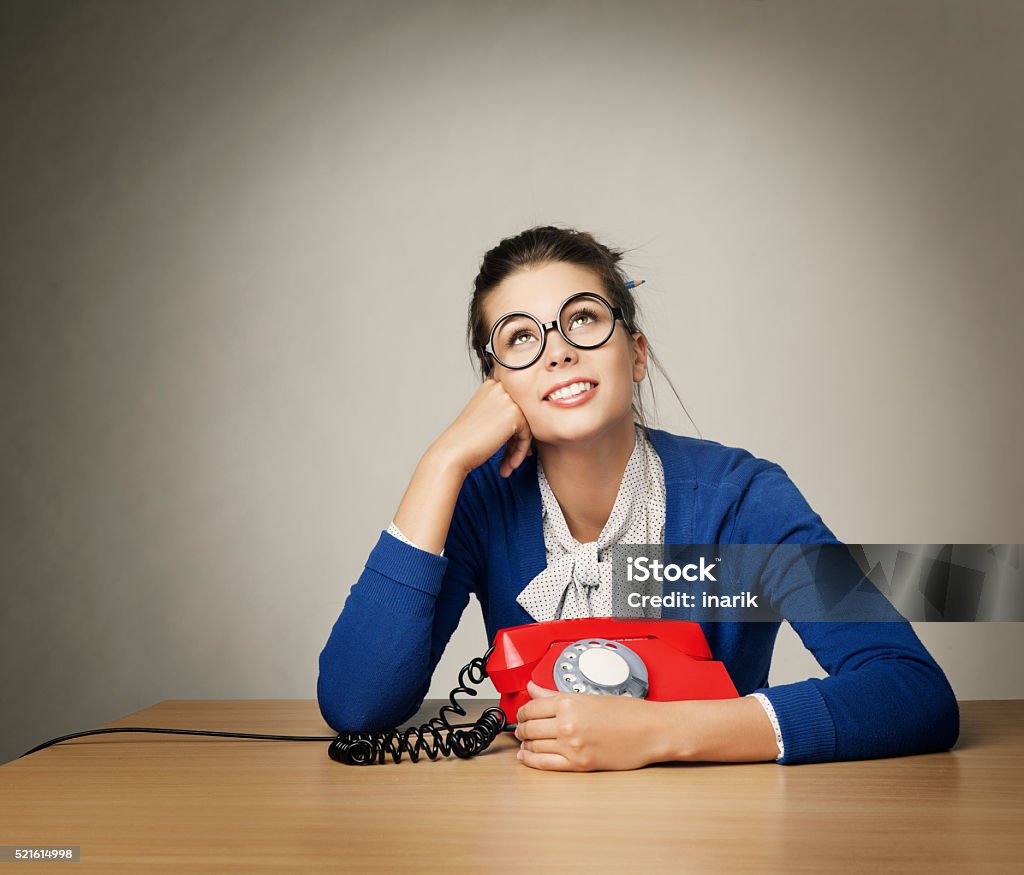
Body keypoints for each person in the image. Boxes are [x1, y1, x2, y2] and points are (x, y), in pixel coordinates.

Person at [317, 225, 959, 771]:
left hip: (720, 833)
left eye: (584, 320)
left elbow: (912, 692)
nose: (559, 352)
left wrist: (660, 734)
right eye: (520, 337)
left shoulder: (742, 498)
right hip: (530, 833)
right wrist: (441, 463)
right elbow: (356, 705)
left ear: (638, 352)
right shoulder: (481, 502)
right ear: (494, 386)